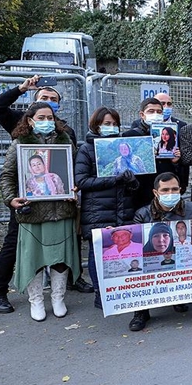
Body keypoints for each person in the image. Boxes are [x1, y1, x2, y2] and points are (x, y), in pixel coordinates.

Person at [0, 102, 79, 321]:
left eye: (50, 117)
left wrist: (75, 188)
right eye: (41, 118)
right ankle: (36, 301)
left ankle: (58, 298)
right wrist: (11, 199)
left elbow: (76, 172)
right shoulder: (19, 144)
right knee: (34, 258)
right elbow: (7, 175)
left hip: (62, 212)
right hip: (32, 214)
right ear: (30, 120)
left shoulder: (66, 142)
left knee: (60, 258)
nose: (46, 122)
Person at [75, 106, 139, 308]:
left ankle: (119, 291)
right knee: (98, 253)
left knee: (124, 251)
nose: (111, 127)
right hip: (98, 210)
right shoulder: (86, 149)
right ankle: (99, 293)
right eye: (106, 124)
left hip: (124, 207)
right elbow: (82, 181)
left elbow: (135, 183)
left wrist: (131, 181)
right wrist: (114, 179)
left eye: (114, 124)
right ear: (96, 125)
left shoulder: (126, 148)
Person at [129, 172, 192, 330]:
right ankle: (141, 312)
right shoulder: (143, 214)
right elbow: (135, 244)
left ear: (181, 190)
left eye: (175, 189)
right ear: (156, 192)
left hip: (183, 258)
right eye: (165, 190)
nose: (171, 194)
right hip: (153, 260)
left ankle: (179, 298)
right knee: (137, 268)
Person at [121, 97, 187, 209]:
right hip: (140, 193)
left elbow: (181, 171)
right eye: (151, 111)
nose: (155, 114)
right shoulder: (130, 136)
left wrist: (176, 162)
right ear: (142, 114)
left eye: (159, 112)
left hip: (165, 191)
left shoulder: (171, 134)